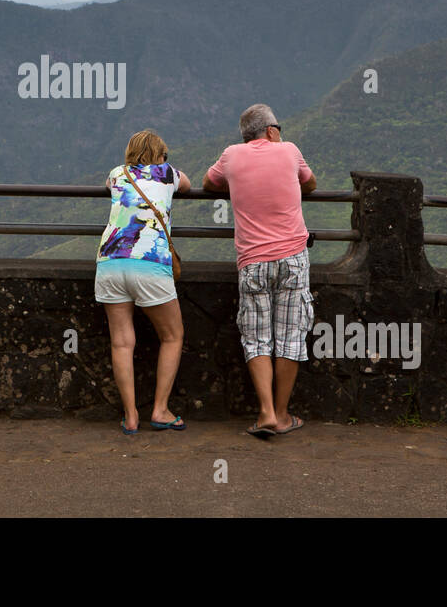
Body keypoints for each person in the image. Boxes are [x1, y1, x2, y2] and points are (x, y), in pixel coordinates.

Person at [202, 104, 317, 439]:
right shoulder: (289, 151)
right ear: (271, 130)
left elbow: (209, 184)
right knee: (291, 337)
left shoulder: (231, 156)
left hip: (252, 260)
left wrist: (239, 183)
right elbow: (309, 184)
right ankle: (281, 414)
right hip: (293, 257)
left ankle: (264, 411)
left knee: (257, 338)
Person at [95, 129, 191, 434]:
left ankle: (131, 415)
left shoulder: (117, 173)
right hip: (150, 263)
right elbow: (188, 185)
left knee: (122, 342)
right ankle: (160, 410)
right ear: (161, 155)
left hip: (110, 262)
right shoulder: (167, 173)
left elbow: (108, 186)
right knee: (172, 336)